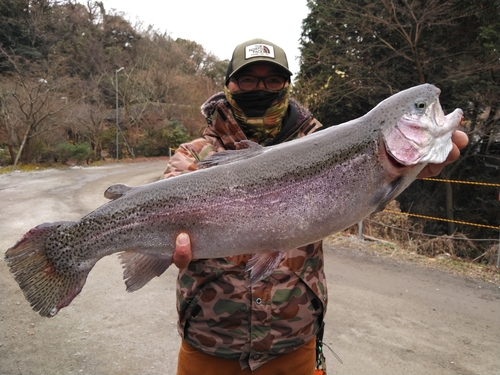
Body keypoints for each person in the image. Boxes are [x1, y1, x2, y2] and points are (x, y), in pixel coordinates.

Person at [163, 38, 469, 375]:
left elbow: (366, 198)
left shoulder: (332, 143)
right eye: (248, 80)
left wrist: (411, 172)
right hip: (209, 344)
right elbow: (161, 198)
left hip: (293, 342)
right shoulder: (193, 156)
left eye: (272, 81)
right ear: (229, 85)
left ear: (287, 85)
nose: (259, 88)